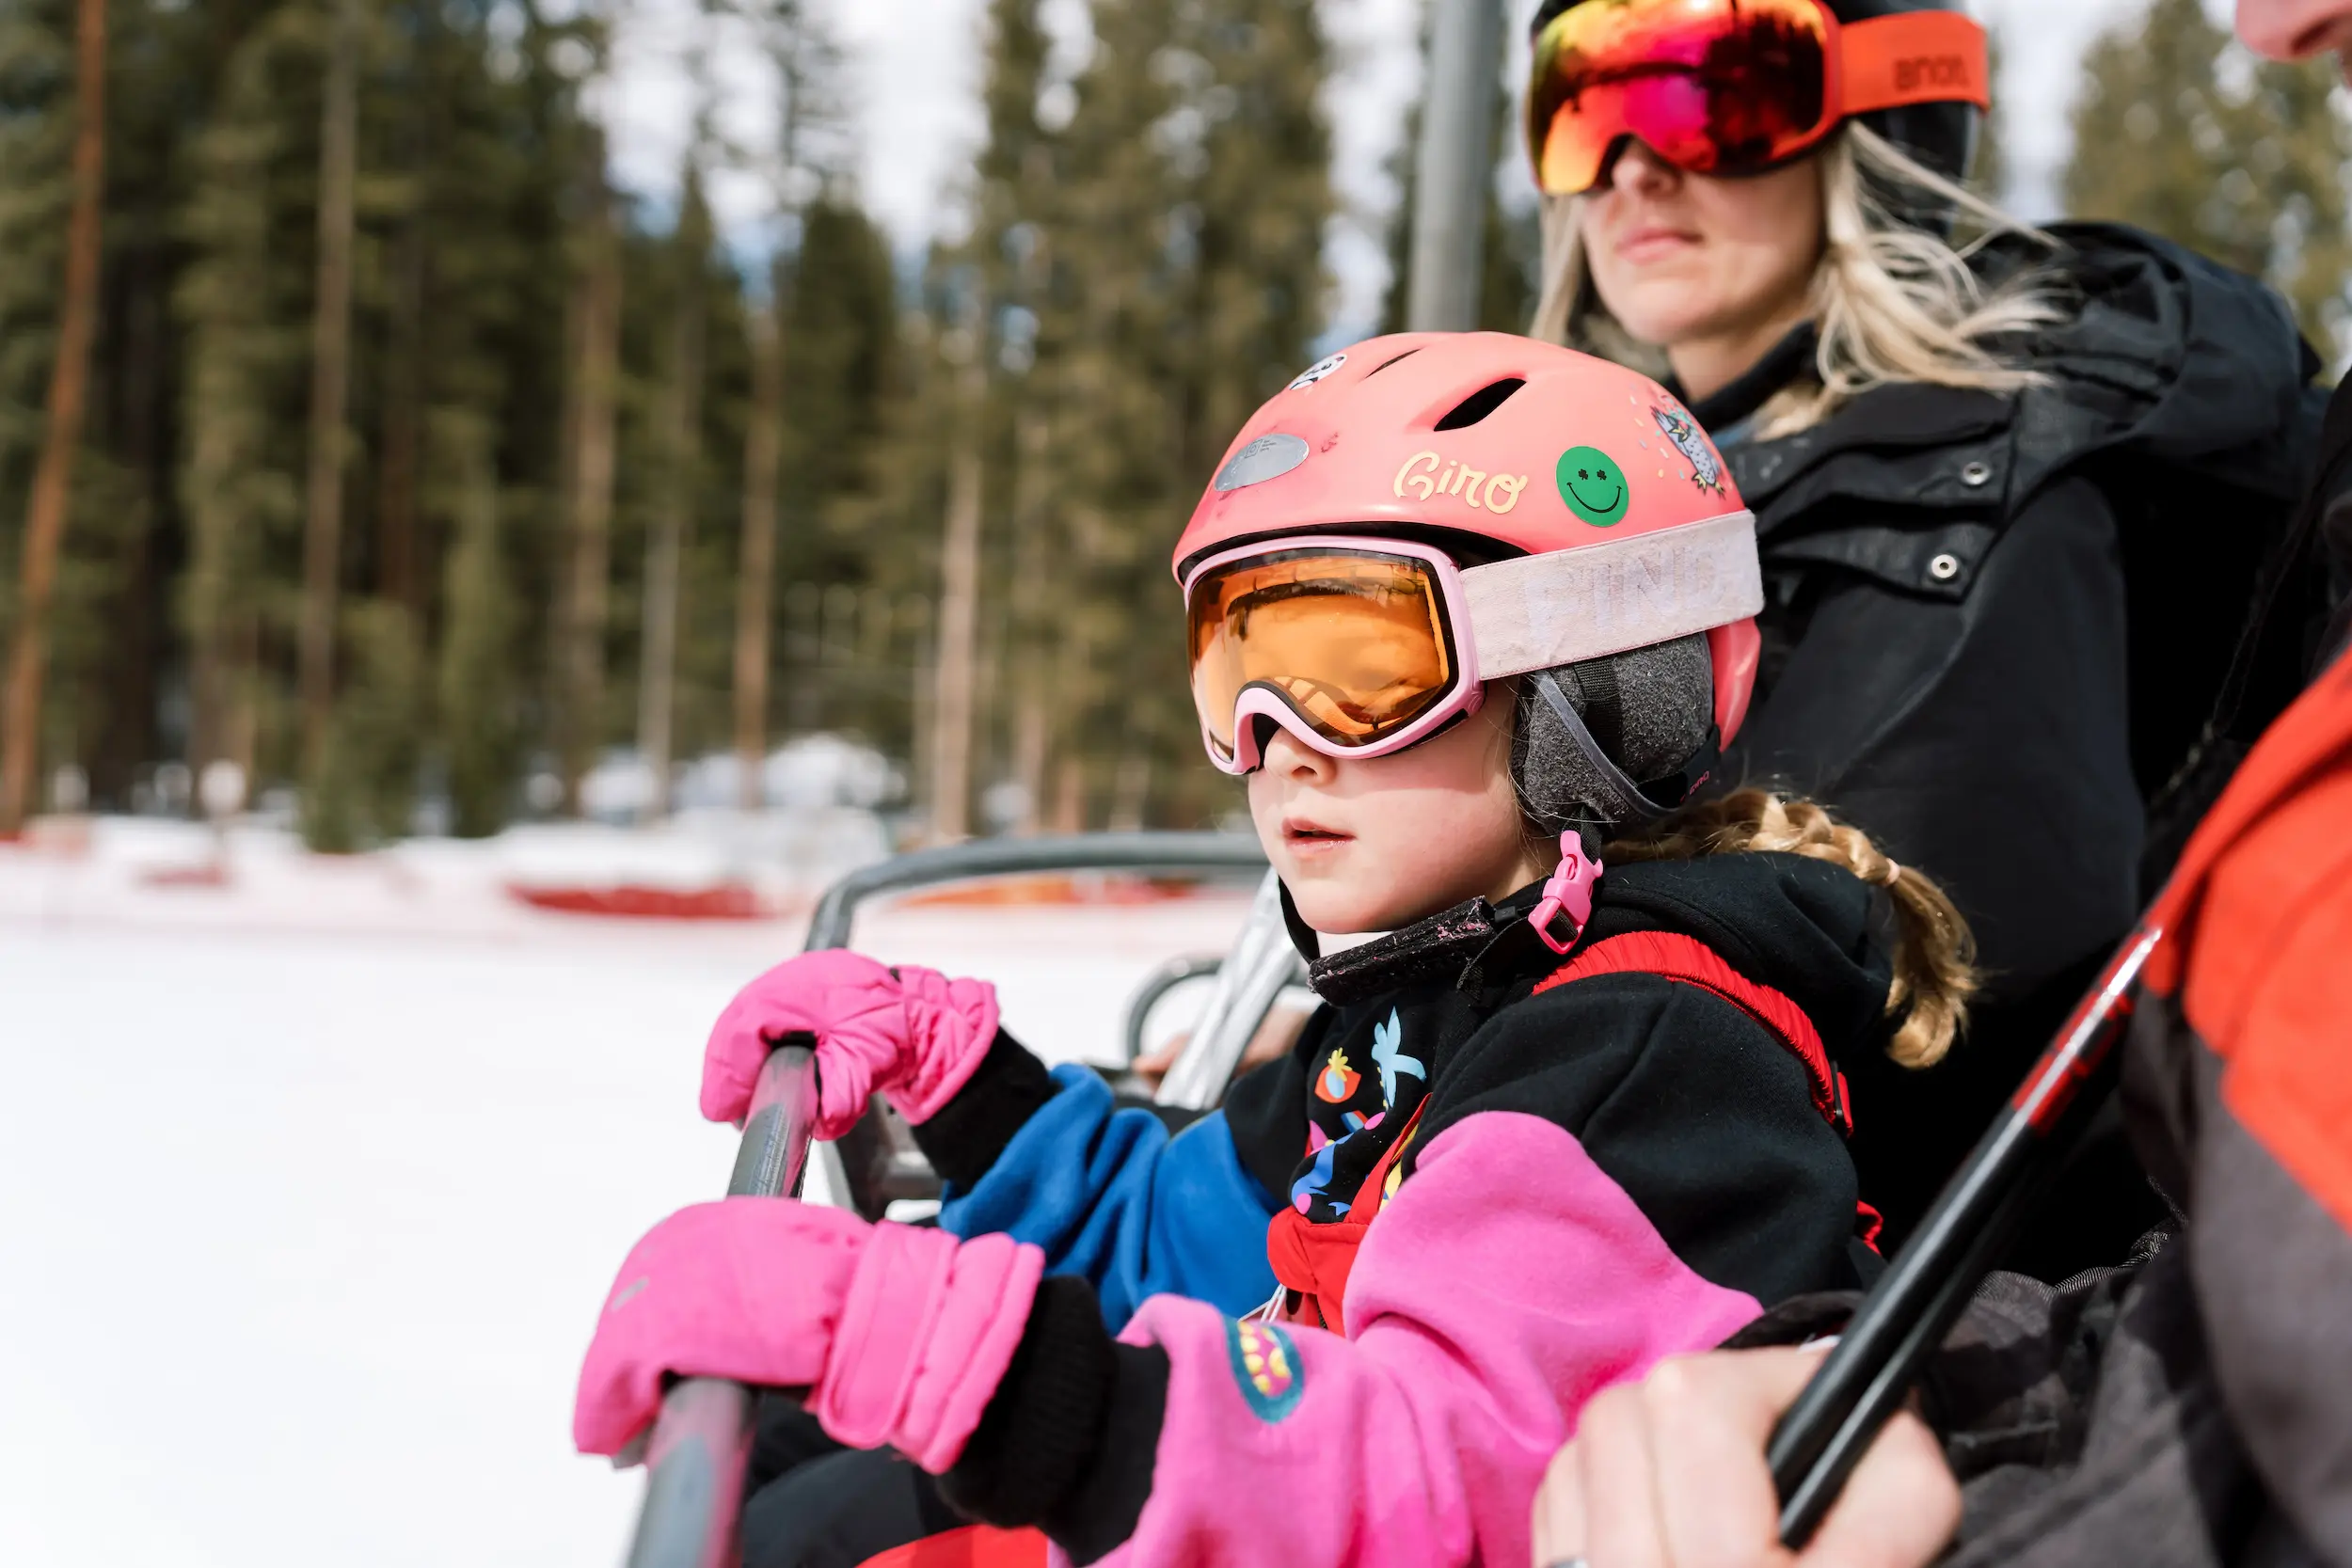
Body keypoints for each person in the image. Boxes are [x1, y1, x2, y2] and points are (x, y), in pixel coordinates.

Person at [570, 335, 1979, 1568]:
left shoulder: (1641, 1060)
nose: (1276, 743)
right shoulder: (1428, 1001)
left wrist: (979, 1371)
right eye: (1235, 666)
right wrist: (962, 1080)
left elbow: (1450, 1485)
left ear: (1599, 692)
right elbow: (1192, 1231)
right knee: (789, 1461)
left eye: (1356, 666)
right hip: (1274, 1491)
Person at [1527, 5, 2352, 1563]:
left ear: (1879, 122)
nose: (1632, 165)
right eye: (1581, 104)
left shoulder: (1967, 485)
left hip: (1850, 1352)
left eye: (1710, 94)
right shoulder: (1695, 488)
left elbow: (1924, 1021)